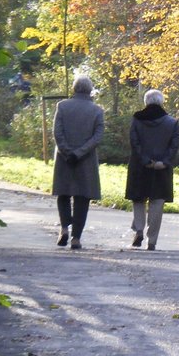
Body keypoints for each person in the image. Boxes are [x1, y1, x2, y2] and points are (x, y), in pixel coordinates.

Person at [52, 75, 105, 250]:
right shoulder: (97, 110)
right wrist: (80, 152)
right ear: (90, 90)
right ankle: (76, 237)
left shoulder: (62, 106)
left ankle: (64, 228)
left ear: (74, 89)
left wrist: (67, 151)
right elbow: (97, 137)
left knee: (64, 193)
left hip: (64, 158)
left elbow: (57, 133)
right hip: (86, 160)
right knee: (83, 198)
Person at [125, 89, 179, 251]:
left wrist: (145, 161)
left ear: (146, 102)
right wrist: (164, 162)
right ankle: (152, 240)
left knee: (138, 199)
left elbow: (134, 143)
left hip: (139, 167)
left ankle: (139, 229)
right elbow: (174, 146)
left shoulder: (137, 120)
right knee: (157, 202)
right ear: (162, 102)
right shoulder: (172, 123)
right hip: (162, 170)